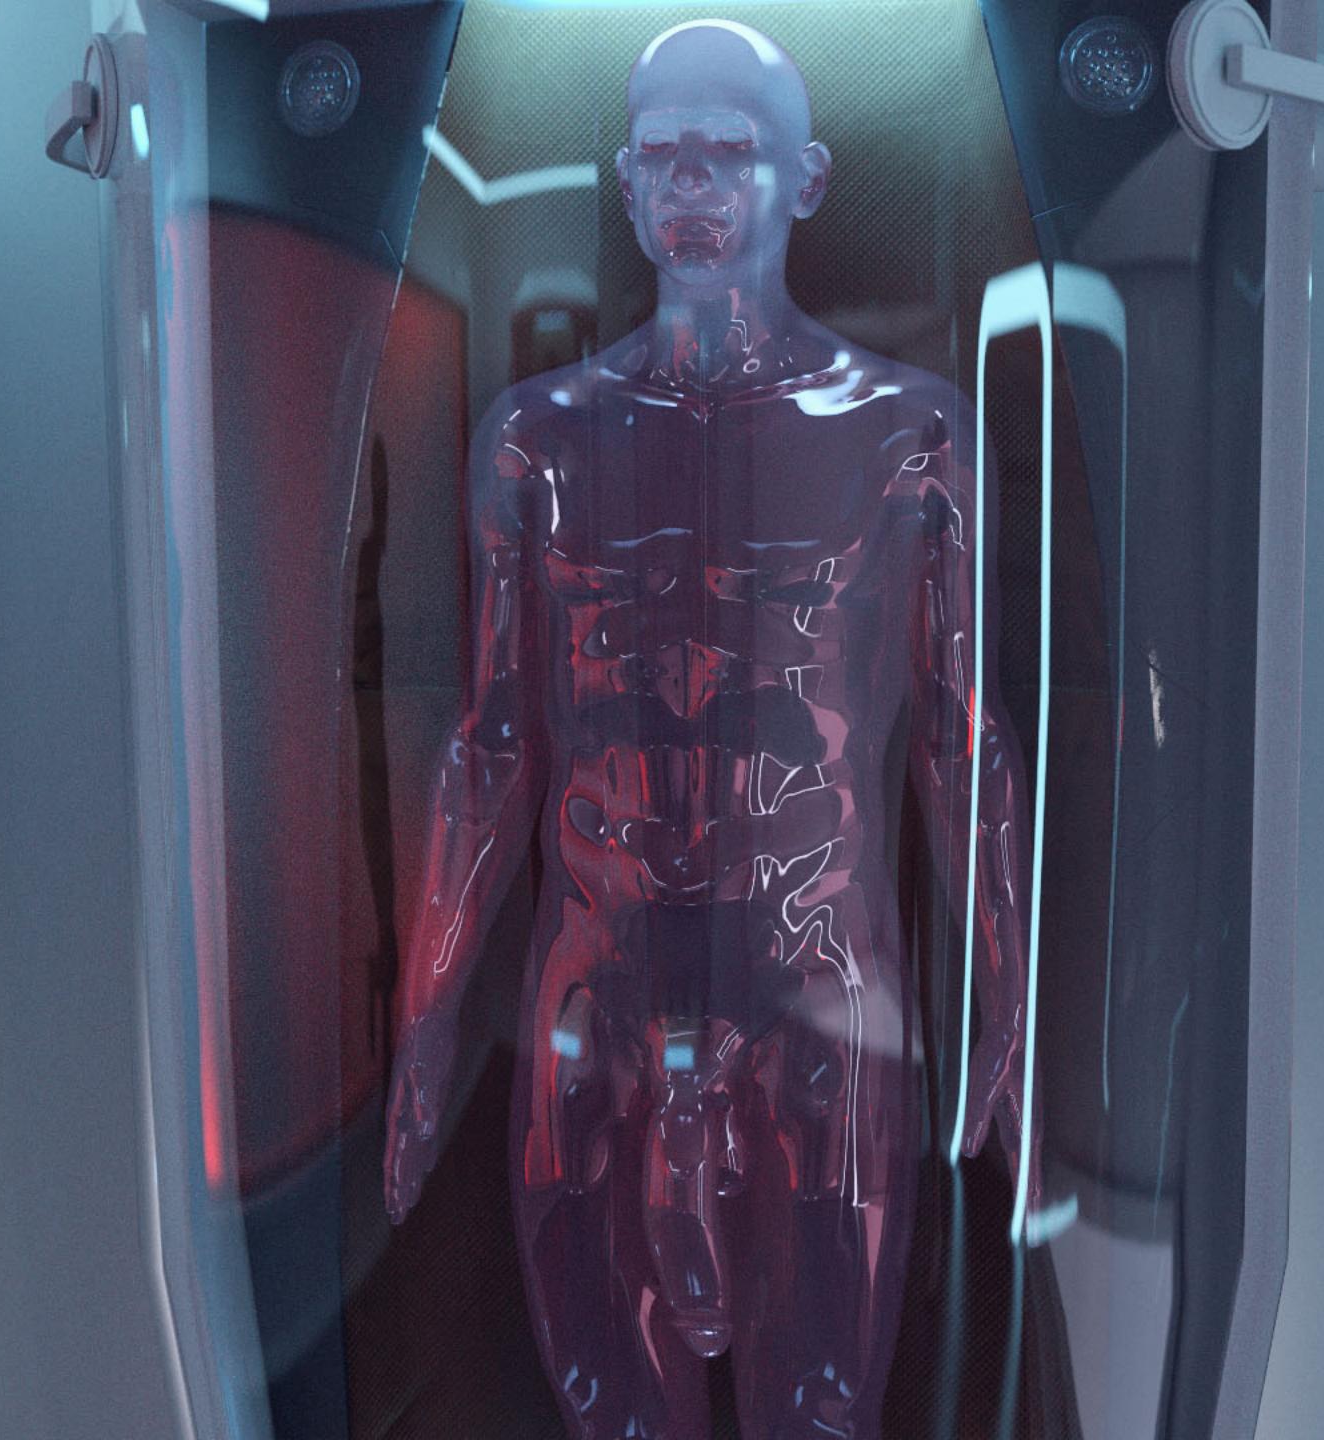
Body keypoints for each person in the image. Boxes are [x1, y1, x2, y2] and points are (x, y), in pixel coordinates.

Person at [379, 19, 1038, 1438]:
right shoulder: (538, 441)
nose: (692, 184)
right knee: (612, 1407)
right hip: (595, 990)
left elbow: (965, 735)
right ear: (626, 183)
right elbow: (493, 744)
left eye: (727, 153)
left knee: (820, 1406)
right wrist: (424, 1014)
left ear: (804, 177)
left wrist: (1013, 994)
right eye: (664, 155)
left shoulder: (910, 436)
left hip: (822, 984)